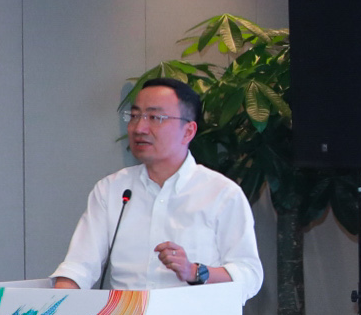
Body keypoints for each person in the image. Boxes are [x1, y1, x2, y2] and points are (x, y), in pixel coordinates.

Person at [51, 79, 264, 295]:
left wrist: (194, 272)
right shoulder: (111, 189)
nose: (139, 128)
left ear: (188, 131)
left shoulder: (222, 193)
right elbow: (79, 267)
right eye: (134, 116)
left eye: (155, 118)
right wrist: (55, 304)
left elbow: (249, 276)